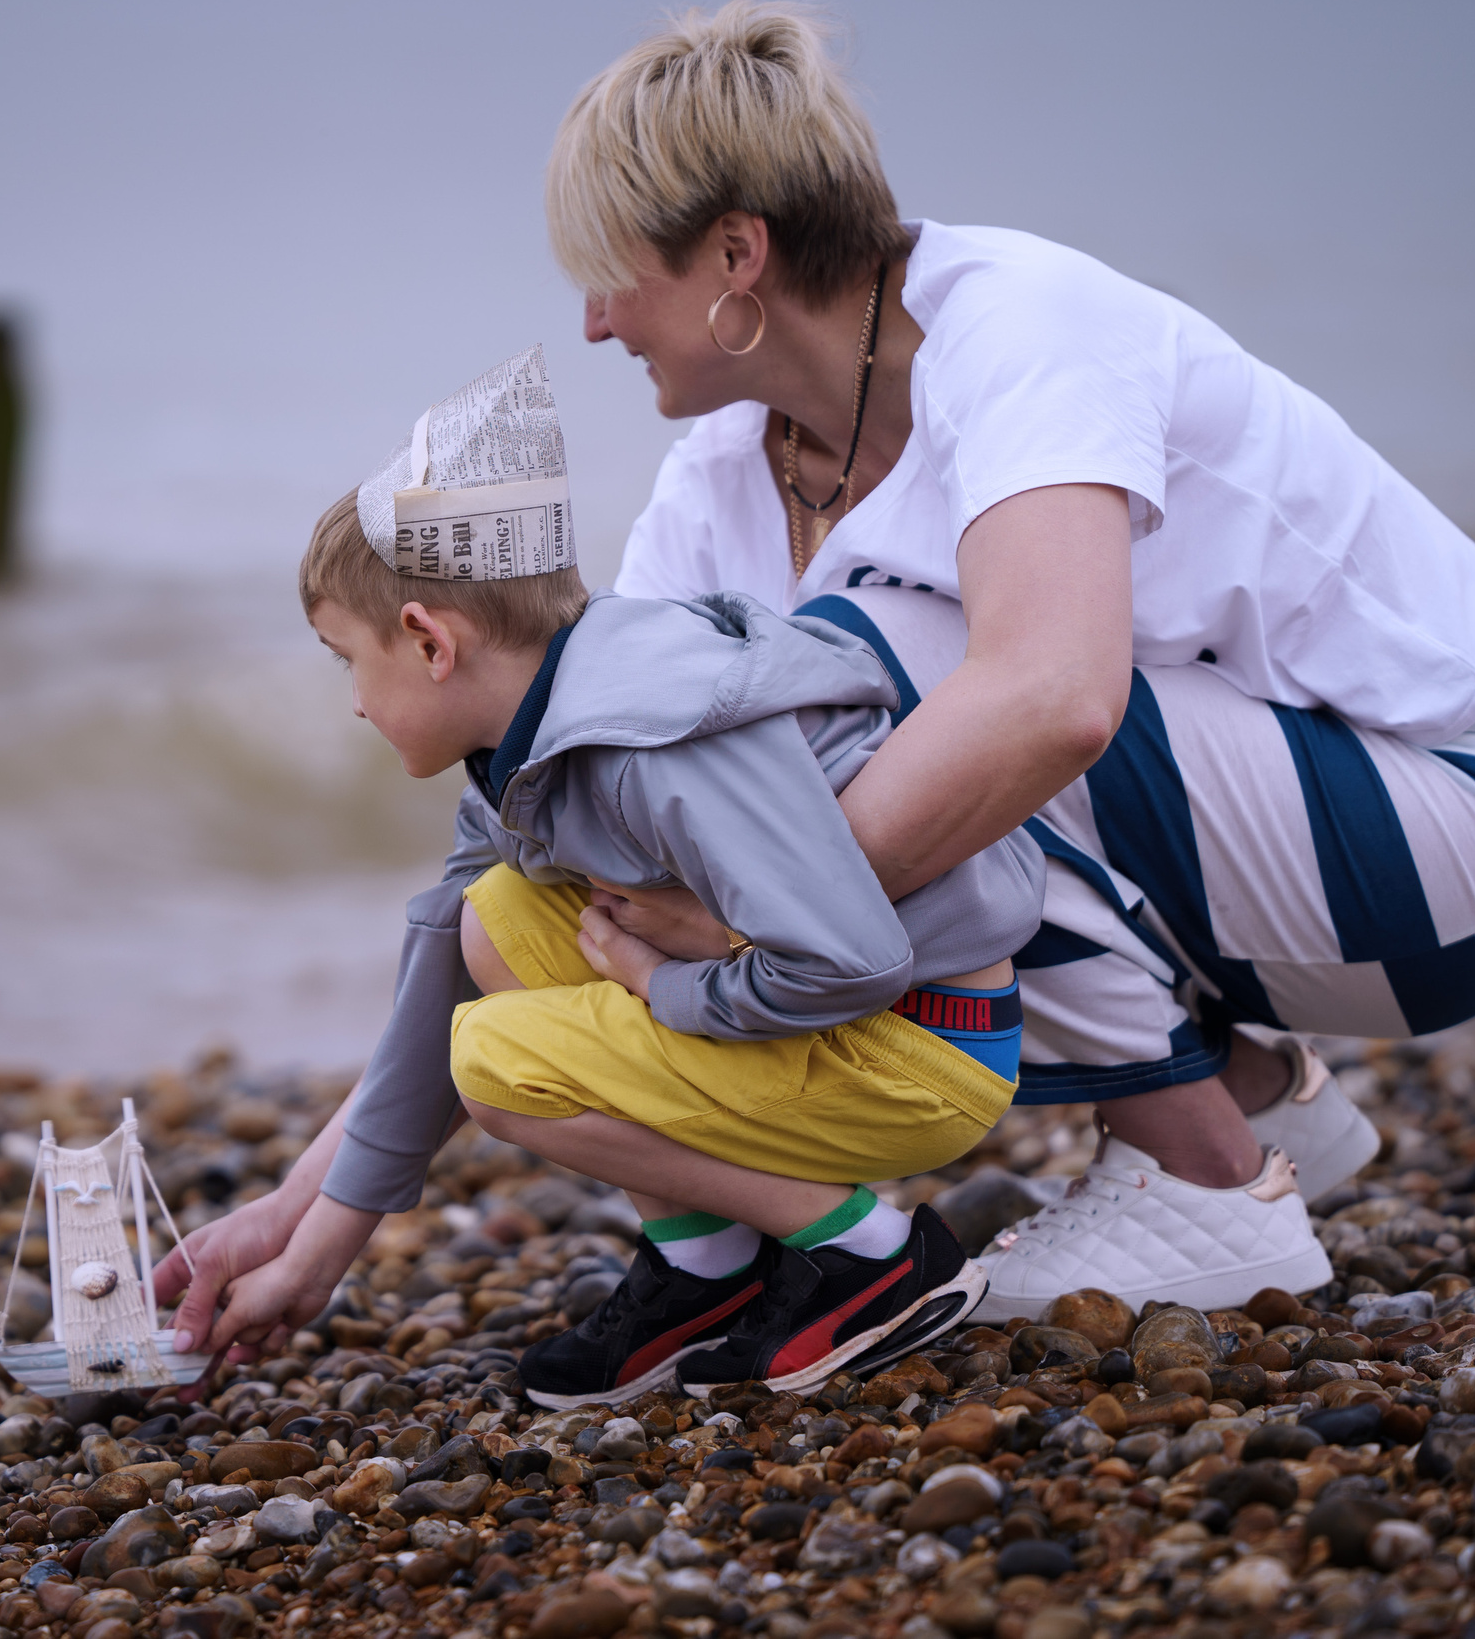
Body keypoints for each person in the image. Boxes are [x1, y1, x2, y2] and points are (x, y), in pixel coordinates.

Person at [545, 2, 1475, 1319]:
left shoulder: (1020, 328)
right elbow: (609, 765)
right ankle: (1255, 1103)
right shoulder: (726, 472)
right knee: (720, 738)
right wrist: (320, 1206)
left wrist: (756, 924)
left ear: (737, 254)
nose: (591, 322)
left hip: (1458, 831)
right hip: (1281, 885)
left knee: (870, 675)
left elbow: (1055, 697)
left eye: (614, 269)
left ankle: (1202, 1179)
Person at [155, 347, 1046, 1405]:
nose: (350, 698)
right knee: (493, 930)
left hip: (917, 1043)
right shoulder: (522, 750)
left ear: (427, 640)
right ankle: (707, 1269)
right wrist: (304, 1234)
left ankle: (868, 1257)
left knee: (498, 1063)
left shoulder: (649, 741)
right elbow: (434, 984)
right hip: (838, 1018)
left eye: (343, 657)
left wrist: (651, 979)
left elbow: (853, 960)